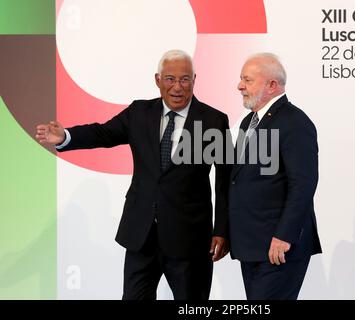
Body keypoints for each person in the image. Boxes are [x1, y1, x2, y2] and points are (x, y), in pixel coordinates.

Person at [36, 50, 231, 300]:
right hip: (142, 235)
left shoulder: (214, 120)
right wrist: (66, 137)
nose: (177, 87)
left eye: (185, 79)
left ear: (195, 80)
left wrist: (222, 230)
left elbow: (225, 180)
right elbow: (103, 133)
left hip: (189, 240)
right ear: (157, 80)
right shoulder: (139, 112)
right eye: (170, 79)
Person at [229, 53, 322, 300]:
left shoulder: (295, 122)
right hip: (252, 246)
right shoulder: (248, 122)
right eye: (241, 79)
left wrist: (284, 235)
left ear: (272, 85)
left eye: (247, 80)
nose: (239, 86)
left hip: (279, 247)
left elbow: (303, 185)